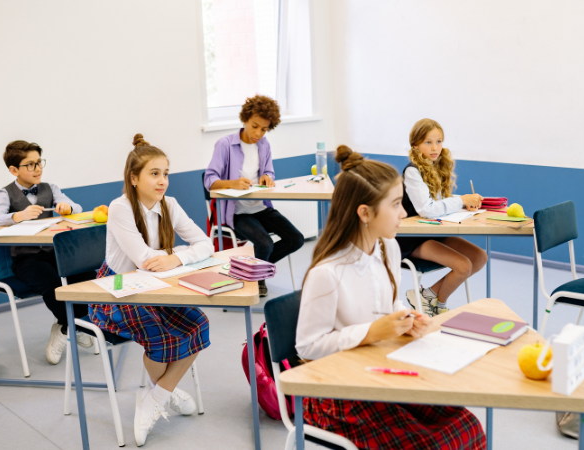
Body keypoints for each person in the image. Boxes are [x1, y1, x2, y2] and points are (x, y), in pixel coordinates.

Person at [295, 145, 486, 449]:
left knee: (469, 427)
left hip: (382, 369)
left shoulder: (388, 248)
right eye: (396, 204)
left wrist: (408, 318)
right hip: (339, 390)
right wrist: (370, 333)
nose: (403, 213)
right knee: (430, 444)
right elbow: (307, 347)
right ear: (365, 213)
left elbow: (392, 303)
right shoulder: (327, 272)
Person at [91, 134, 214, 446]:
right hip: (117, 290)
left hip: (156, 286)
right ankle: (164, 392)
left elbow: (205, 244)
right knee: (160, 337)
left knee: (199, 324)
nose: (163, 182)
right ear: (134, 178)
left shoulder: (169, 205)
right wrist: (168, 260)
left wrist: (176, 257)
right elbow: (144, 260)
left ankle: (156, 395)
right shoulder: (120, 208)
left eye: (166, 174)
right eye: (154, 174)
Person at [0, 140, 96, 364]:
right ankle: (72, 325)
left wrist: (68, 208)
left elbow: (76, 208)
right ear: (14, 170)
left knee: (87, 277)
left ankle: (66, 327)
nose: (37, 169)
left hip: (57, 254)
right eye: (30, 164)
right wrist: (17, 216)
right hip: (27, 259)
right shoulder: (5, 193)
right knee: (52, 283)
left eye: (39, 162)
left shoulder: (51, 188)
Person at [204, 95, 304, 297]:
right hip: (237, 213)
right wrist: (233, 183)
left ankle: (250, 270)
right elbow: (209, 180)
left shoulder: (264, 145)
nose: (258, 133)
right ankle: (258, 278)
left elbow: (269, 171)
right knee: (265, 243)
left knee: (296, 239)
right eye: (254, 126)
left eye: (264, 129)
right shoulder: (225, 144)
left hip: (261, 208)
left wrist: (267, 176)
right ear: (245, 119)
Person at [397, 119, 487, 316]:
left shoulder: (435, 166)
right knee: (463, 266)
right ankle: (439, 305)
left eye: (438, 141)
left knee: (480, 257)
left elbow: (438, 200)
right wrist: (461, 200)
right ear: (416, 145)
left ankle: (428, 295)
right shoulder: (413, 171)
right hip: (411, 237)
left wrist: (463, 200)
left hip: (432, 230)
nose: (434, 148)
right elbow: (427, 209)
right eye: (428, 142)